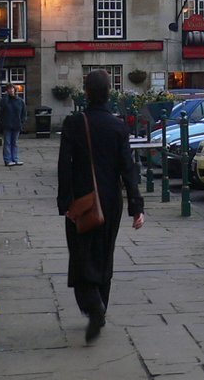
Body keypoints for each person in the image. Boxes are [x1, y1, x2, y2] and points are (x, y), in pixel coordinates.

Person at [57, 69, 145, 342]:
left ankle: (93, 307)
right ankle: (101, 308)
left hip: (82, 201)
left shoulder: (74, 123)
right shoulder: (118, 126)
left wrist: (65, 202)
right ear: (109, 92)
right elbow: (128, 168)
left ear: (87, 92)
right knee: (105, 254)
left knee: (81, 255)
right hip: (110, 201)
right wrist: (136, 206)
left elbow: (64, 166)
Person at [0, 85, 27, 166]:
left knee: (15, 143)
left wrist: (22, 121)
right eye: (9, 89)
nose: (11, 90)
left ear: (15, 90)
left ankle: (15, 159)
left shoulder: (20, 101)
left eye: (12, 89)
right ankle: (7, 160)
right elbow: (1, 105)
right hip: (7, 125)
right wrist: (6, 96)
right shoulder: (5, 100)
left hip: (17, 124)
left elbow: (24, 113)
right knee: (7, 142)